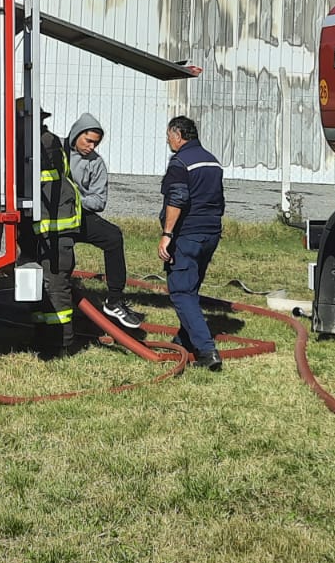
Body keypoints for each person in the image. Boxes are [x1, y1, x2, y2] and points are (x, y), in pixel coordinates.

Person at [158, 115, 226, 371]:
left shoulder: (181, 162)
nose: (167, 141)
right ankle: (182, 341)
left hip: (188, 234)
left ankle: (207, 351)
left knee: (181, 291)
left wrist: (167, 234)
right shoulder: (212, 161)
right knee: (191, 287)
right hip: (211, 233)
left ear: (177, 135)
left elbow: (177, 199)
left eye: (168, 136)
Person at [65, 113, 144, 330]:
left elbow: (99, 201)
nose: (91, 147)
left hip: (79, 217)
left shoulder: (96, 163)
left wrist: (74, 200)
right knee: (64, 262)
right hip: (53, 220)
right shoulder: (55, 152)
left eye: (96, 143)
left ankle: (114, 300)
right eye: (88, 141)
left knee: (113, 236)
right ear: (76, 134)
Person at [30, 110, 82, 358]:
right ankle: (43, 339)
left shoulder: (41, 143)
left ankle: (63, 344)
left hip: (55, 234)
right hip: (48, 231)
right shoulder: (46, 140)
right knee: (45, 286)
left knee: (56, 286)